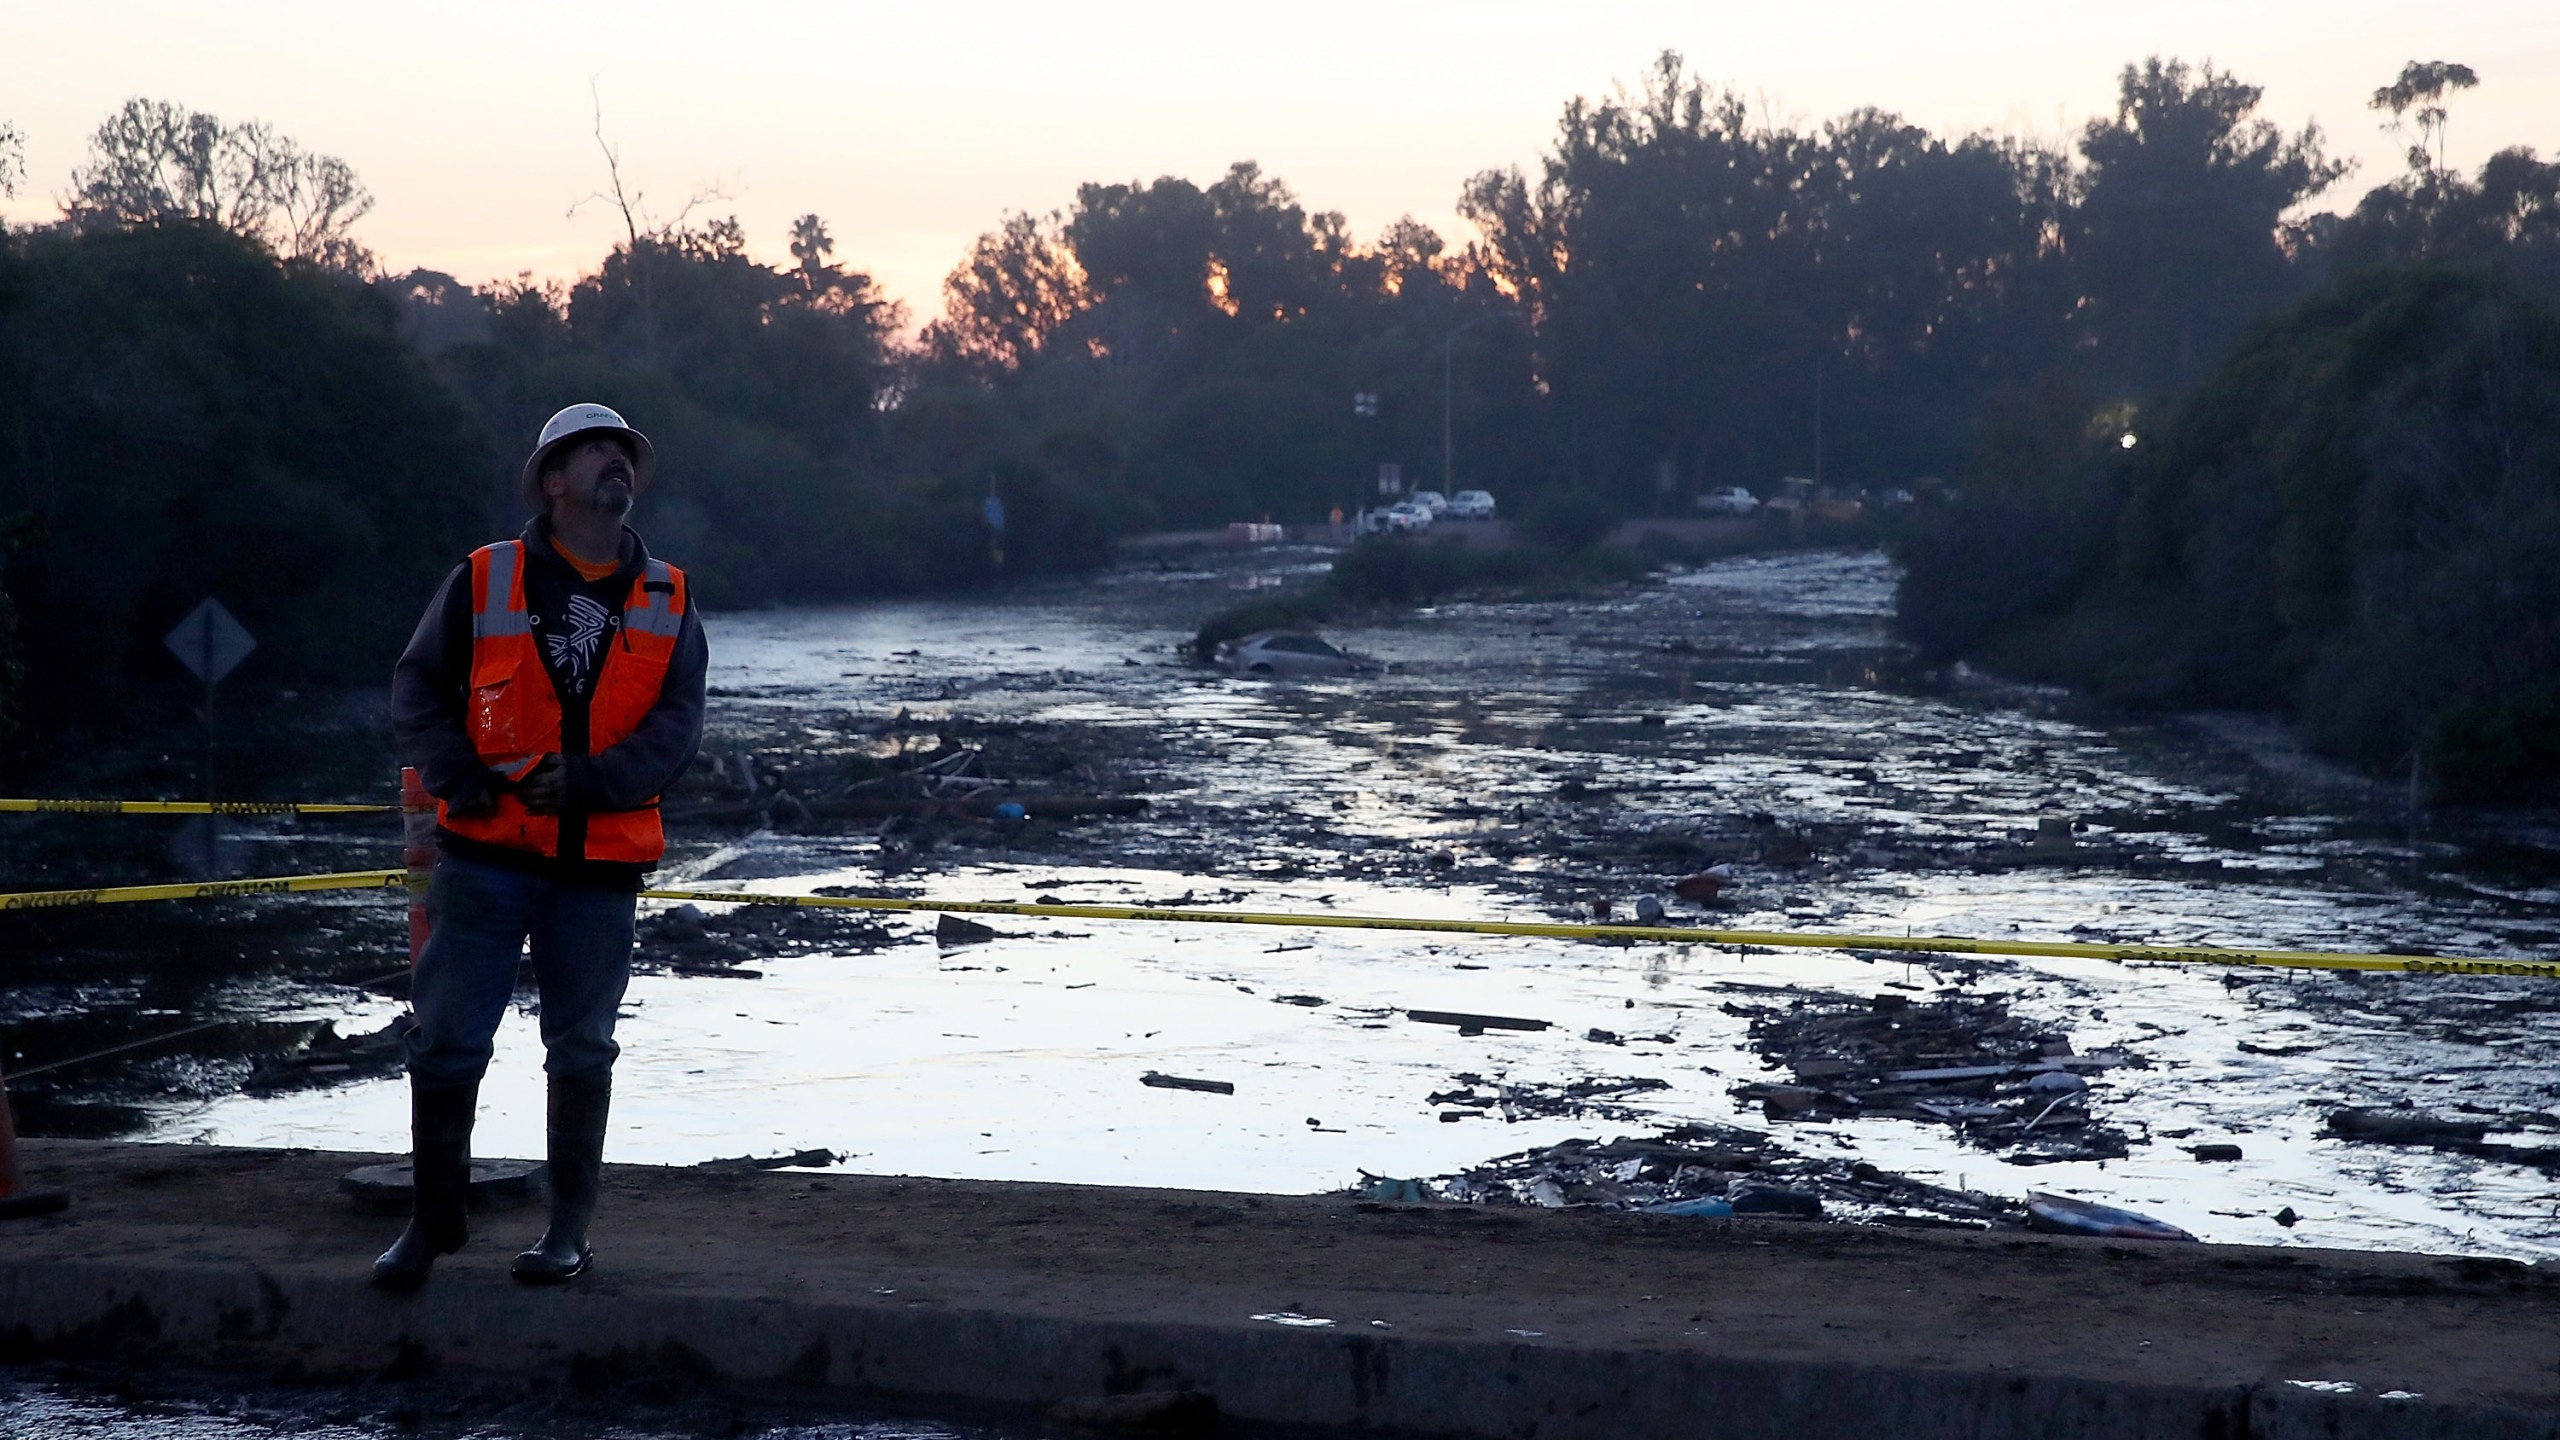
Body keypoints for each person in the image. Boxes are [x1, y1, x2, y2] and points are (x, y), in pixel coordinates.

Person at [376, 403, 708, 1290]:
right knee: (446, 1041)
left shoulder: (668, 596)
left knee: (583, 1049)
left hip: (598, 871)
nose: (618, 465)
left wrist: (597, 781)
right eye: (598, 452)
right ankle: (432, 1225)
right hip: (485, 859)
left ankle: (567, 1235)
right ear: (553, 481)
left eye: (626, 454)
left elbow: (678, 727)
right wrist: (462, 778)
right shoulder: (484, 578)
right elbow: (417, 687)